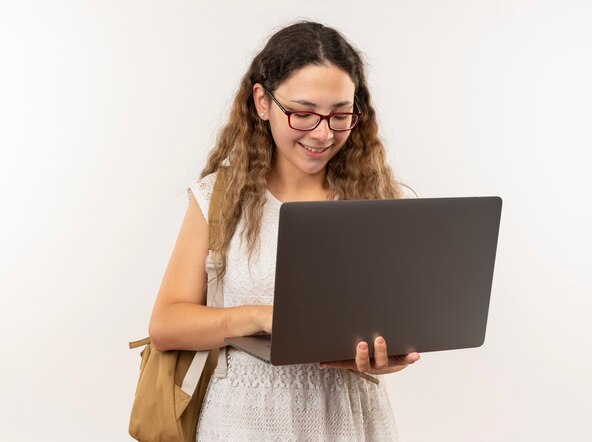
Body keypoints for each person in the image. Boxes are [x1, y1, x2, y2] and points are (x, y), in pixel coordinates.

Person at [148, 20, 420, 440]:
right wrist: (265, 318)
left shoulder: (377, 200)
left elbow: (394, 328)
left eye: (340, 115)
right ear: (262, 101)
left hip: (348, 419)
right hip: (242, 420)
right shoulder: (219, 198)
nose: (323, 133)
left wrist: (390, 357)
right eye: (303, 114)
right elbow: (166, 325)